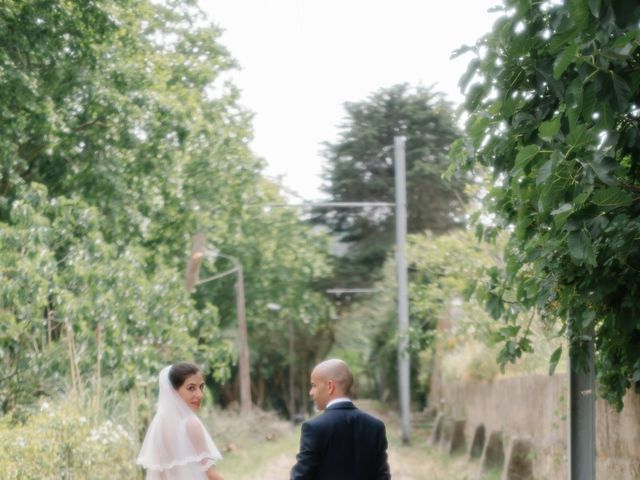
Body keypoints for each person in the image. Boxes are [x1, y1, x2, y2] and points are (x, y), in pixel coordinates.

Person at [290, 358, 391, 480]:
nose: (311, 392)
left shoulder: (314, 428)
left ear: (330, 386)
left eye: (314, 385)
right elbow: (382, 476)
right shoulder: (376, 426)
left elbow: (301, 477)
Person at [137, 363, 224, 480]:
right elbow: (212, 475)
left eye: (201, 387)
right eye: (191, 388)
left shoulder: (159, 425)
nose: (200, 394)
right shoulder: (190, 424)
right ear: (173, 391)